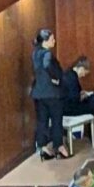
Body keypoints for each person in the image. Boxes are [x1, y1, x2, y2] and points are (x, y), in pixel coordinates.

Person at [29, 28, 67, 159]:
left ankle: (42, 147)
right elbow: (47, 66)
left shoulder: (35, 53)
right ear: (45, 41)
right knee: (56, 120)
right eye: (52, 39)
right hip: (52, 93)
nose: (54, 41)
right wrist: (55, 77)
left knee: (42, 121)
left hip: (38, 93)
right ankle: (59, 147)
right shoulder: (47, 54)